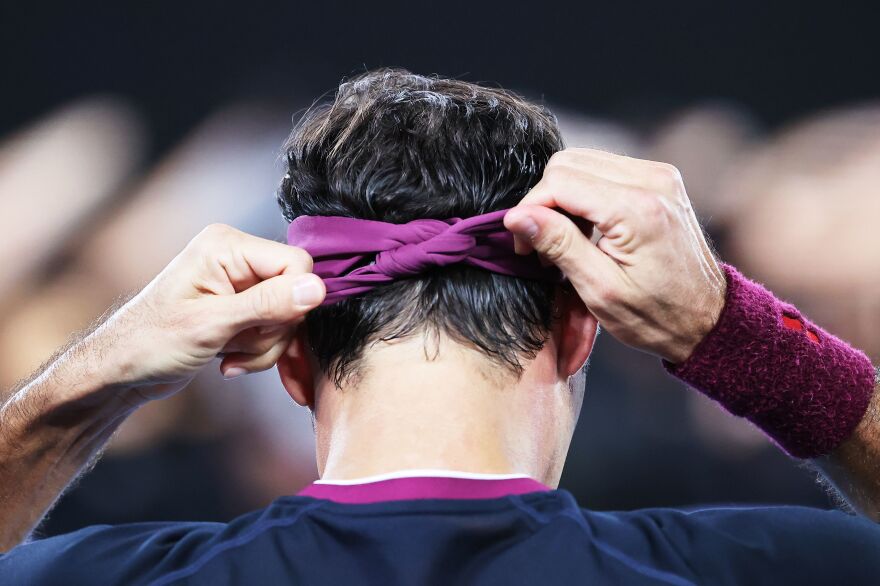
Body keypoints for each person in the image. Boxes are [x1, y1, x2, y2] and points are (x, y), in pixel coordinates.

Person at [1, 69, 879, 584]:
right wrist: (733, 332)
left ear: (290, 358)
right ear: (581, 332)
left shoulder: (105, 577)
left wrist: (89, 379)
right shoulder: (758, 568)